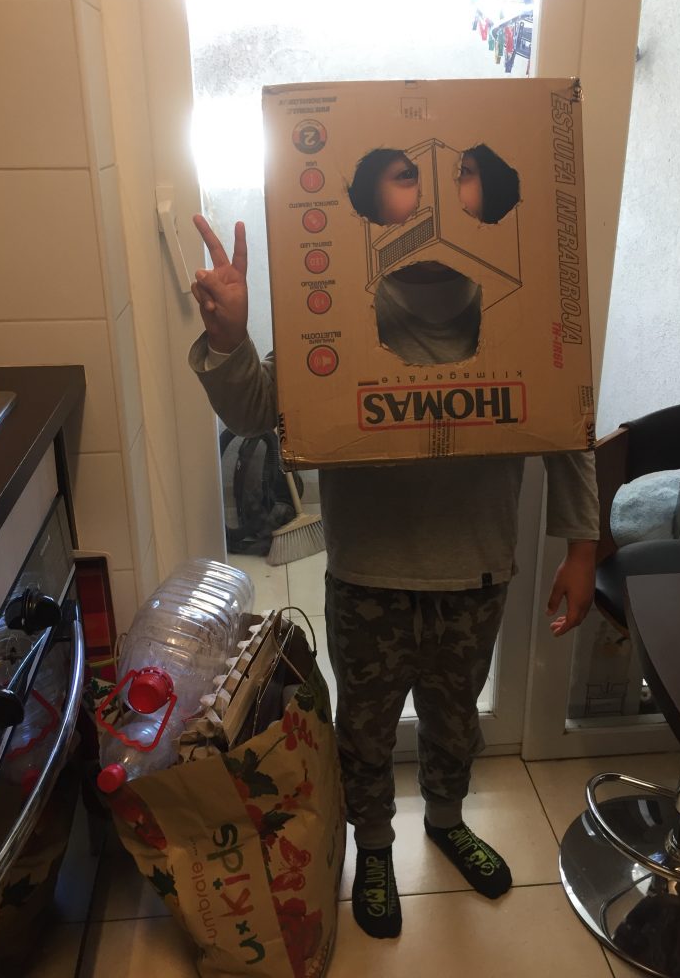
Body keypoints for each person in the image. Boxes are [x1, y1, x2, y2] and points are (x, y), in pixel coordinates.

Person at [188, 213, 599, 941]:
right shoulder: (345, 303)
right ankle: (374, 846)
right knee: (366, 730)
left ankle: (445, 820)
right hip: (368, 571)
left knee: (456, 720)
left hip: (474, 568)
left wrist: (582, 545)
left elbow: (567, 417)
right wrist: (230, 340)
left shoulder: (514, 300)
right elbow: (257, 409)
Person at [347, 143, 520, 366]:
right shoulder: (356, 304)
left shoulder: (508, 288)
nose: (438, 197)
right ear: (374, 197)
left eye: (461, 171)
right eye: (407, 174)